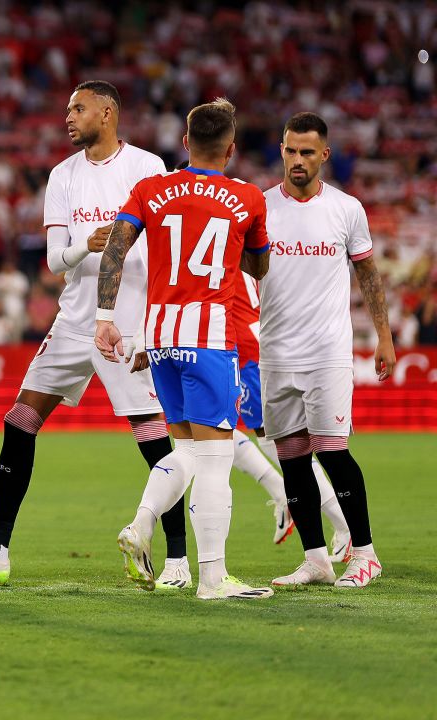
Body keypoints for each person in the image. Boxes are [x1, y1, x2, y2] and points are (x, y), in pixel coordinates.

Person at [0, 81, 174, 586]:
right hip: (74, 320)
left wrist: (155, 323)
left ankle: (176, 561)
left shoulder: (148, 168)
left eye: (79, 108)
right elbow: (52, 260)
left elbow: (166, 251)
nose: (68, 117)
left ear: (108, 113)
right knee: (19, 419)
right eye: (67, 108)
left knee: (153, 437)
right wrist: (85, 246)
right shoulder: (62, 176)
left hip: (128, 322)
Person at [97, 98, 274, 600]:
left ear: (184, 143)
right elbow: (258, 269)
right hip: (211, 339)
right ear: (232, 148)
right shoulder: (248, 198)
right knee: (215, 462)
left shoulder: (151, 189)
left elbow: (115, 246)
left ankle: (141, 522)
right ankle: (214, 580)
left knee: (186, 452)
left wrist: (105, 317)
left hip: (158, 339)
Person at [153, 270, 353, 590]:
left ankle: (344, 527)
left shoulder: (223, 233)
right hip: (245, 337)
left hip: (244, 348)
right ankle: (289, 496)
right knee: (221, 432)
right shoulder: (239, 236)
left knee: (279, 446)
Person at [260, 112, 393, 588]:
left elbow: (369, 275)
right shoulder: (258, 208)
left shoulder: (346, 209)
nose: (298, 160)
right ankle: (316, 559)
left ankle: (366, 554)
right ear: (282, 150)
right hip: (275, 351)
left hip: (327, 351)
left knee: (334, 452)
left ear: (325, 155)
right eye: (291, 150)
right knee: (292, 457)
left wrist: (384, 335)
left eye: (307, 152)